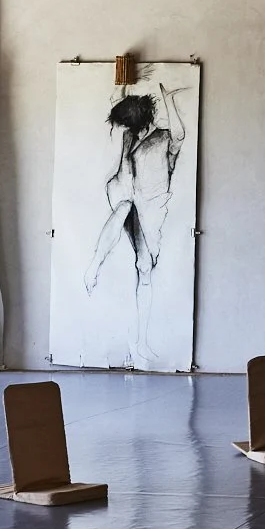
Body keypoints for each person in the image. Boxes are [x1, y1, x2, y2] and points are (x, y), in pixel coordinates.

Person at [87, 80, 186, 366]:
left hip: (152, 208)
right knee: (123, 207)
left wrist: (168, 99)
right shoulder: (130, 135)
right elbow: (123, 166)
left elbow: (180, 135)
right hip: (127, 196)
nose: (130, 131)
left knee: (144, 267)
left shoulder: (165, 138)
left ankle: (141, 342)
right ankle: (95, 264)